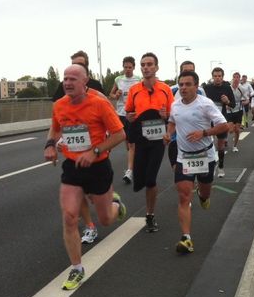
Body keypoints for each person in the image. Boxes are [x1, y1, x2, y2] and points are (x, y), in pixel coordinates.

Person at [44, 64, 127, 290]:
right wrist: (51, 145)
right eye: (65, 78)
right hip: (72, 166)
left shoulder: (99, 104)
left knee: (106, 220)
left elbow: (120, 134)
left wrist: (95, 151)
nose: (67, 83)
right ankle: (77, 268)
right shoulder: (60, 105)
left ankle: (116, 205)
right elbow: (54, 128)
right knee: (70, 217)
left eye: (73, 79)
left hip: (98, 167)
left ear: (85, 82)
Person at [163, 70, 229, 254]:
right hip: (184, 156)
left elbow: (224, 125)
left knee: (205, 193)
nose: (183, 88)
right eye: (181, 84)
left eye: (187, 84)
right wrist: (168, 133)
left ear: (196, 86)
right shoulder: (175, 105)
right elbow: (172, 121)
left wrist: (204, 133)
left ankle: (203, 194)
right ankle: (186, 238)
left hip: (204, 156)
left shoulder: (205, 104)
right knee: (184, 196)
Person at [52, 51, 103, 245]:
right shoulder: (63, 89)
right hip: (74, 152)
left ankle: (107, 199)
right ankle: (90, 226)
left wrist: (102, 147)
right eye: (72, 64)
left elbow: (107, 119)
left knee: (94, 195)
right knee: (78, 190)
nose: (70, 79)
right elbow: (56, 117)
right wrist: (53, 142)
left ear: (86, 70)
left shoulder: (97, 90)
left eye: (80, 65)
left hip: (95, 151)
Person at [125, 52, 174, 233]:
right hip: (141, 138)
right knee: (141, 179)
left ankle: (150, 215)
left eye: (149, 64)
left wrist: (166, 117)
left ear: (156, 67)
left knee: (151, 178)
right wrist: (130, 118)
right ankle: (145, 192)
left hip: (158, 139)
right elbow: (130, 114)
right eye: (143, 64)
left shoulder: (165, 89)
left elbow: (172, 115)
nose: (146, 67)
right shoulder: (134, 90)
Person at [109, 56, 141, 184]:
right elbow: (111, 94)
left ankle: (130, 170)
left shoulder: (138, 79)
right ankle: (132, 161)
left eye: (129, 67)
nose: (127, 69)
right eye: (125, 67)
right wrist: (115, 95)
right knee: (126, 141)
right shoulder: (118, 79)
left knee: (131, 142)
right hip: (120, 113)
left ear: (133, 67)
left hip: (133, 113)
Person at [168, 60, 205, 168]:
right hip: (177, 139)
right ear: (180, 73)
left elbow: (205, 113)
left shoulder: (201, 91)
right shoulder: (172, 90)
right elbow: (169, 115)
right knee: (179, 174)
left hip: (196, 139)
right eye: (185, 71)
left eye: (191, 71)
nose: (189, 74)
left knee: (196, 173)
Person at [203, 67, 236, 178]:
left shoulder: (227, 88)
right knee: (207, 144)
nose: (217, 78)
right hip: (207, 120)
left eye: (219, 76)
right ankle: (209, 167)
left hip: (221, 119)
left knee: (220, 144)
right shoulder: (207, 88)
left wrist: (227, 101)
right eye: (215, 76)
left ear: (222, 77)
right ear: (212, 77)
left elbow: (233, 104)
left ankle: (221, 166)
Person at [229, 72, 246, 152]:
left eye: (237, 77)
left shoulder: (241, 89)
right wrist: (226, 104)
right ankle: (225, 139)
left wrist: (245, 102)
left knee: (237, 130)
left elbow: (247, 99)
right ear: (232, 79)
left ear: (239, 79)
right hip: (229, 111)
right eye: (234, 77)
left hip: (238, 111)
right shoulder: (228, 88)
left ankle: (235, 146)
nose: (236, 79)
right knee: (231, 130)